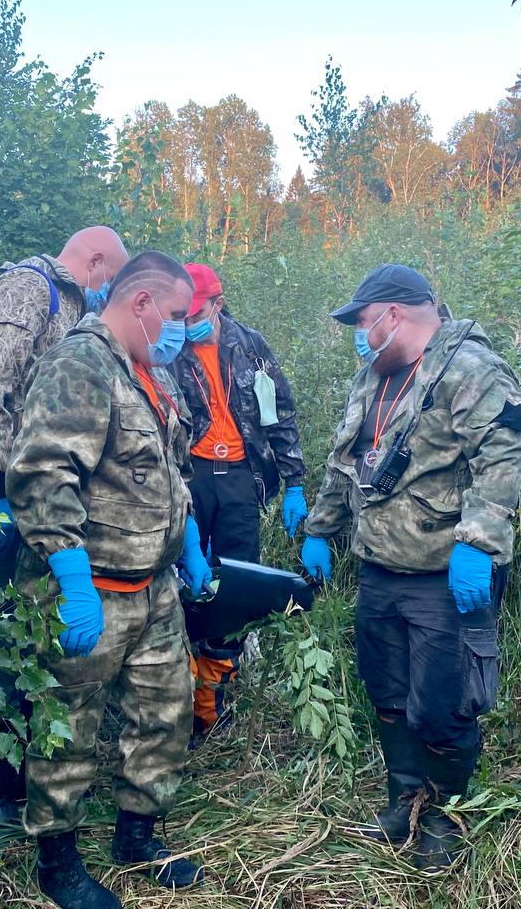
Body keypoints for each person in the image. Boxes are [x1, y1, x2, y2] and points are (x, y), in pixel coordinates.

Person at [300, 263, 521, 871]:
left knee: (443, 704)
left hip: (441, 575)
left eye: (361, 321)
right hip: (379, 569)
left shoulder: (470, 369)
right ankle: (406, 793)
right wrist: (320, 529)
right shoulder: (374, 377)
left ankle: (444, 815)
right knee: (388, 692)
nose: (358, 333)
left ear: (393, 314)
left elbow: (504, 454)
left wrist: (478, 542)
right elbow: (346, 460)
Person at [6, 251, 212, 909]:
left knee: (163, 714)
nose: (183, 328)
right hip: (89, 588)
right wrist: (70, 580)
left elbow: (166, 473)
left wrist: (190, 547)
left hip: (153, 588)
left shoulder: (153, 375)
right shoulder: (81, 363)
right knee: (67, 727)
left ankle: (137, 835)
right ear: (142, 303)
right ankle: (57, 860)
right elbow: (42, 474)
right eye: (177, 314)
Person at [0, 226, 128, 835]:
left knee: (39, 639)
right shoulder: (29, 289)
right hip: (9, 502)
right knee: (0, 649)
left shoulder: (77, 306)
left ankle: (39, 781)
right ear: (96, 260)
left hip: (51, 505)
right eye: (112, 275)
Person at [168, 262, 306, 737]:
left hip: (241, 478)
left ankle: (214, 696)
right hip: (191, 476)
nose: (187, 323)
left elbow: (280, 414)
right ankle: (175, 690)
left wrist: (294, 483)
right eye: (180, 315)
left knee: (236, 578)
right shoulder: (169, 351)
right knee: (181, 573)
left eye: (195, 313)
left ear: (218, 304)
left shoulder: (250, 347)